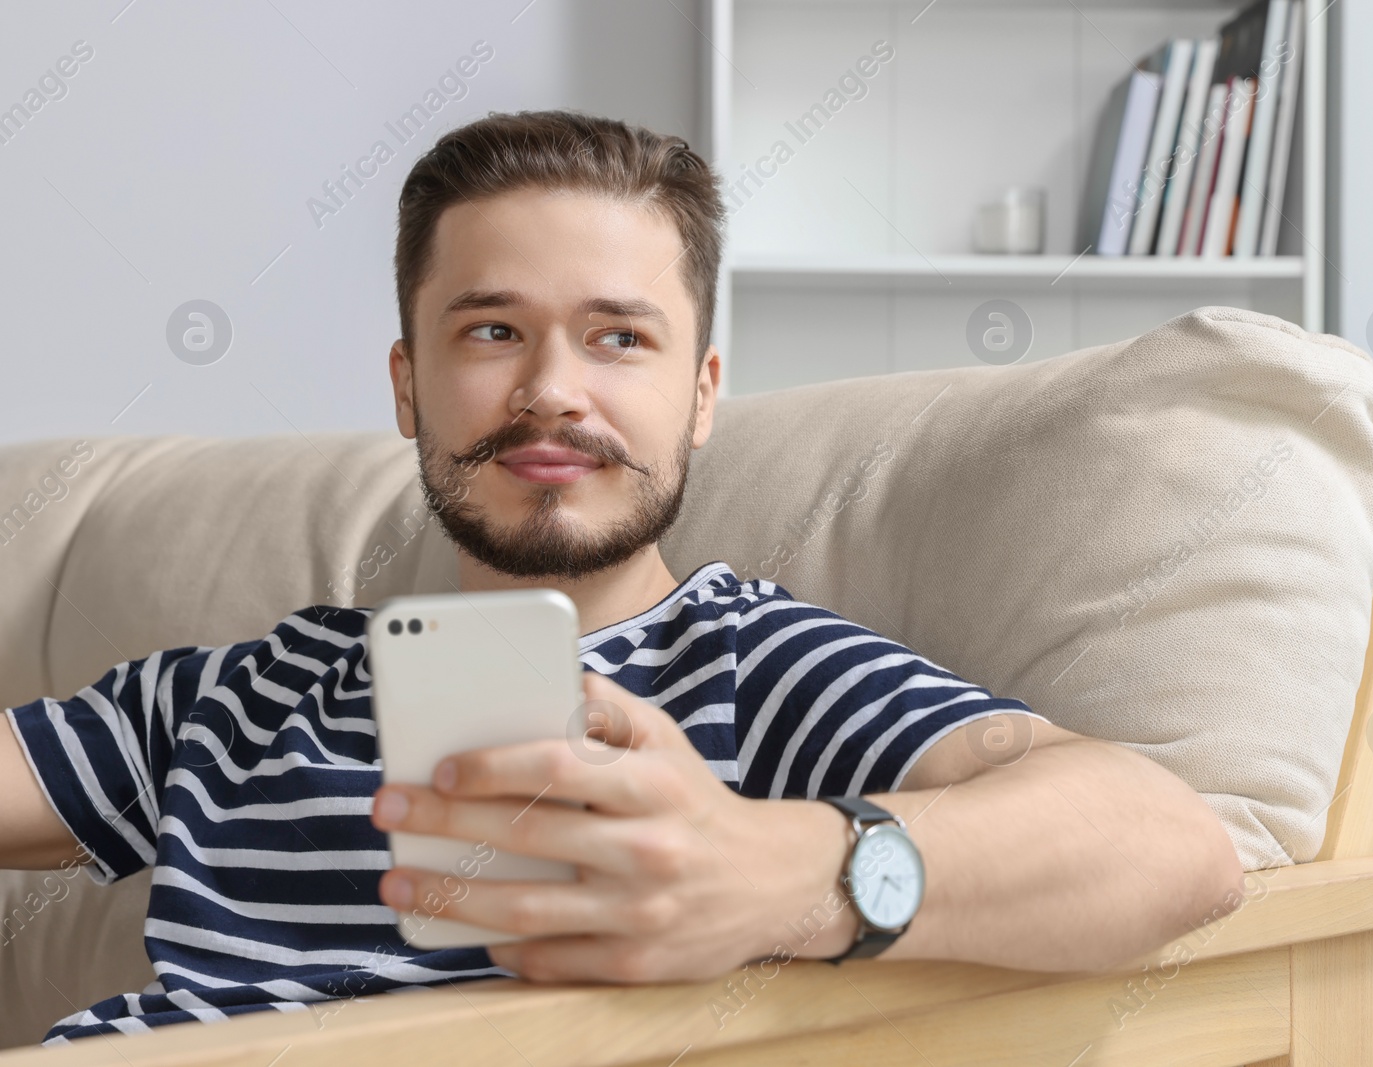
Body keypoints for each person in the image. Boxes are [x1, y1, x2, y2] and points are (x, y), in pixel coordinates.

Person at [0, 110, 1243, 1044]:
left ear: (700, 397)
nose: (551, 389)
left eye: (619, 336)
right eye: (491, 331)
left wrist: (797, 873)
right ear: (405, 384)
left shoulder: (757, 670)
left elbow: (1174, 847)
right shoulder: (245, 693)